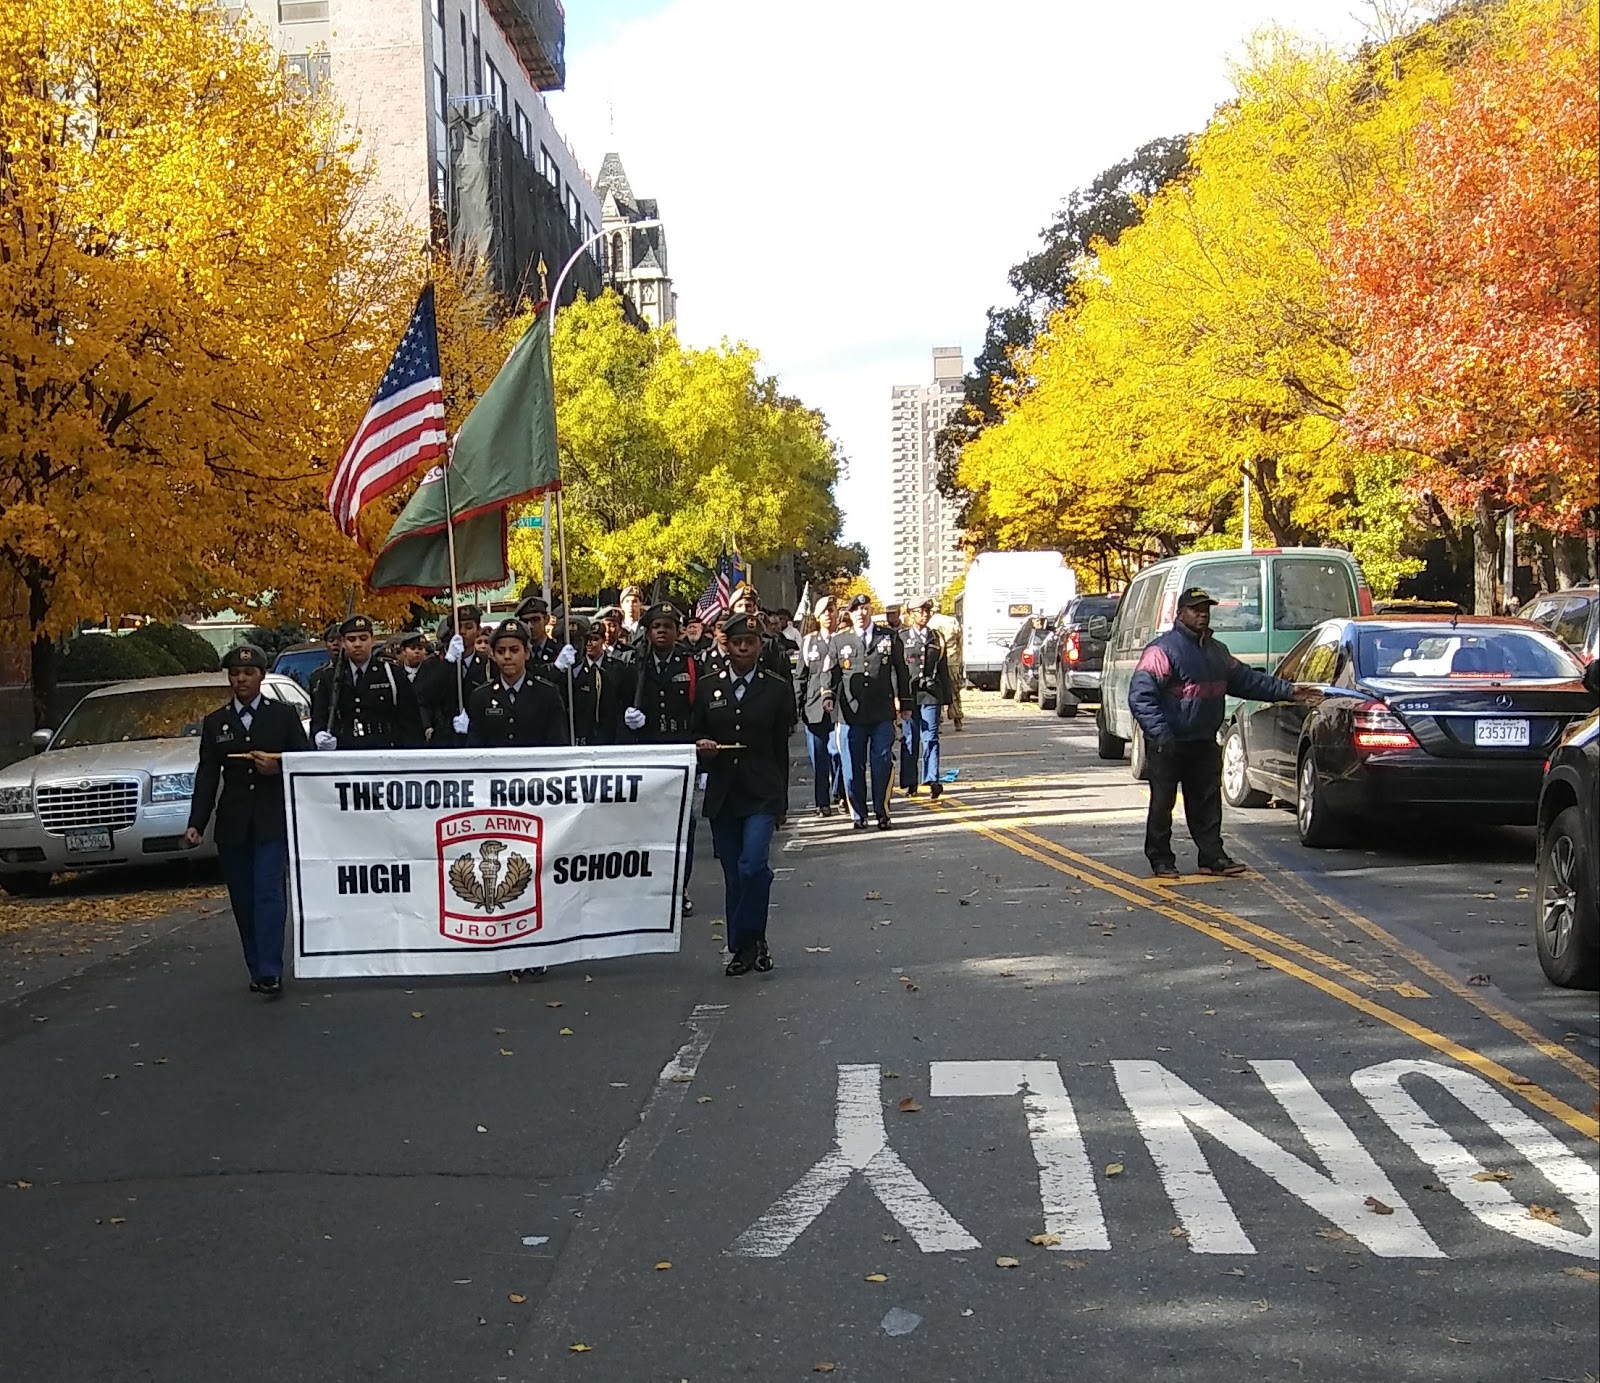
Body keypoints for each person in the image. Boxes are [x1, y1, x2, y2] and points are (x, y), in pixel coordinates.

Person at [1128, 585, 1323, 878]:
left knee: (1207, 803)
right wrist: (1161, 734)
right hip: (1168, 742)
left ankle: (1212, 857)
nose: (1202, 615)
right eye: (1195, 610)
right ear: (1180, 613)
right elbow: (1141, 696)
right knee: (1162, 804)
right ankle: (1161, 859)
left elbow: (1248, 681)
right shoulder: (1162, 650)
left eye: (1206, 610)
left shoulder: (1217, 652)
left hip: (1203, 741)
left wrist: (1291, 692)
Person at [185, 644, 310, 998]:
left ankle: (271, 969)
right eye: (236, 674)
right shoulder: (216, 722)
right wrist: (197, 821)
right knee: (243, 898)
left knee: (269, 892)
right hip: (234, 822)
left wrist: (279, 765)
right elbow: (208, 774)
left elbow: (304, 762)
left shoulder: (282, 716)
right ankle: (256, 966)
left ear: (261, 675)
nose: (241, 679)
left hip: (272, 818)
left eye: (249, 673)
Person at [692, 611, 795, 975]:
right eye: (737, 643)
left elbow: (781, 746)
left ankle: (755, 937)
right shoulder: (707, 686)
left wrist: (781, 800)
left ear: (760, 646)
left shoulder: (777, 687)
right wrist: (701, 746)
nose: (743, 648)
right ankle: (742, 948)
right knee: (734, 875)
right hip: (723, 792)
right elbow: (695, 732)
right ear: (726, 645)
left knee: (753, 866)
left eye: (750, 643)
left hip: (762, 790)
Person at [622, 602, 702, 914]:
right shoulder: (635, 664)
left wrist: (702, 759)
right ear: (648, 630)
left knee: (684, 823)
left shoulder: (691, 663)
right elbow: (621, 704)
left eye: (668, 626)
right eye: (656, 626)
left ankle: (679, 886)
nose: (662, 631)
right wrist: (629, 722)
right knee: (647, 822)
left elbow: (702, 708)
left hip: (682, 749)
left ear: (677, 630)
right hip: (647, 750)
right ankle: (652, 885)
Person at [824, 594, 910, 830]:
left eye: (865, 608)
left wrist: (905, 702)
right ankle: (858, 813)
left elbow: (901, 671)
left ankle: (882, 811)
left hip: (881, 712)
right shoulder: (840, 640)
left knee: (882, 761)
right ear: (849, 615)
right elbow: (830, 672)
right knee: (852, 765)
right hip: (850, 714)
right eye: (856, 610)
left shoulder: (889, 637)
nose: (861, 613)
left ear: (871, 611)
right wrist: (828, 695)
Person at [311, 614, 425, 750]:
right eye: (351, 639)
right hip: (344, 752)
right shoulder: (330, 677)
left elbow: (411, 721)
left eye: (363, 638)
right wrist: (319, 735)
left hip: (385, 751)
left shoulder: (391, 673)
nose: (357, 644)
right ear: (343, 643)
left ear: (373, 640)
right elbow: (319, 717)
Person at [466, 619, 569, 748]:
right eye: (501, 651)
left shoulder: (547, 693)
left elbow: (558, 745)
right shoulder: (481, 696)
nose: (507, 656)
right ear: (493, 655)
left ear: (526, 653)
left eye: (514, 650)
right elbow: (475, 747)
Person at [899, 598, 953, 798]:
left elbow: (943, 670)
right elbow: (897, 669)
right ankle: (910, 781)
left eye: (927, 611)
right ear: (911, 614)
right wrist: (897, 697)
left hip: (931, 694)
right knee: (910, 738)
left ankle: (932, 779)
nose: (924, 615)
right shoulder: (902, 637)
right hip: (909, 695)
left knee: (930, 737)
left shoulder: (937, 638)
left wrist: (949, 700)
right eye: (920, 611)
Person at [417, 605, 491, 746]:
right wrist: (449, 661)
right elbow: (426, 697)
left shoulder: (488, 665)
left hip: (478, 739)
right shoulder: (434, 664)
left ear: (478, 630)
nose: (462, 632)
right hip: (444, 738)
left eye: (468, 627)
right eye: (458, 628)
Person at [796, 597, 842, 816]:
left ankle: (840, 792)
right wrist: (797, 706)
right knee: (819, 758)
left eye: (831, 611)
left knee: (838, 752)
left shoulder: (845, 639)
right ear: (817, 616)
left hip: (840, 708)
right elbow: (801, 677)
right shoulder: (808, 642)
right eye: (824, 612)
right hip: (813, 708)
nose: (828, 615)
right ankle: (822, 802)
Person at [568, 616, 620, 744]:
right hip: (583, 735)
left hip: (610, 735)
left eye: (595, 639)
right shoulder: (576, 670)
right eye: (587, 640)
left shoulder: (618, 668)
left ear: (603, 640)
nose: (590, 644)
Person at [927, 608, 965, 731]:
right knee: (954, 690)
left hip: (937, 659)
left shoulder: (930, 623)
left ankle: (937, 720)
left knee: (937, 688)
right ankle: (957, 719)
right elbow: (960, 641)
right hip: (953, 659)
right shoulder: (952, 621)